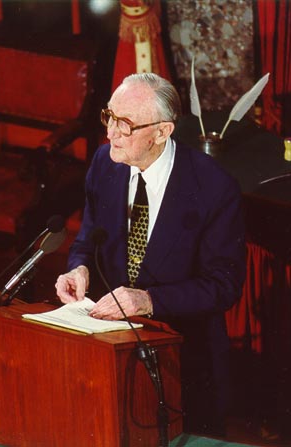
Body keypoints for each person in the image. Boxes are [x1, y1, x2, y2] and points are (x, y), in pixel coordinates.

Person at [55, 72, 246, 436]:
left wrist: (148, 299)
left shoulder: (214, 188)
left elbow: (224, 285)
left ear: (162, 132)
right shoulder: (105, 162)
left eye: (125, 124)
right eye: (109, 116)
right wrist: (79, 270)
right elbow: (87, 240)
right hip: (107, 346)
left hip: (183, 357)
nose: (111, 132)